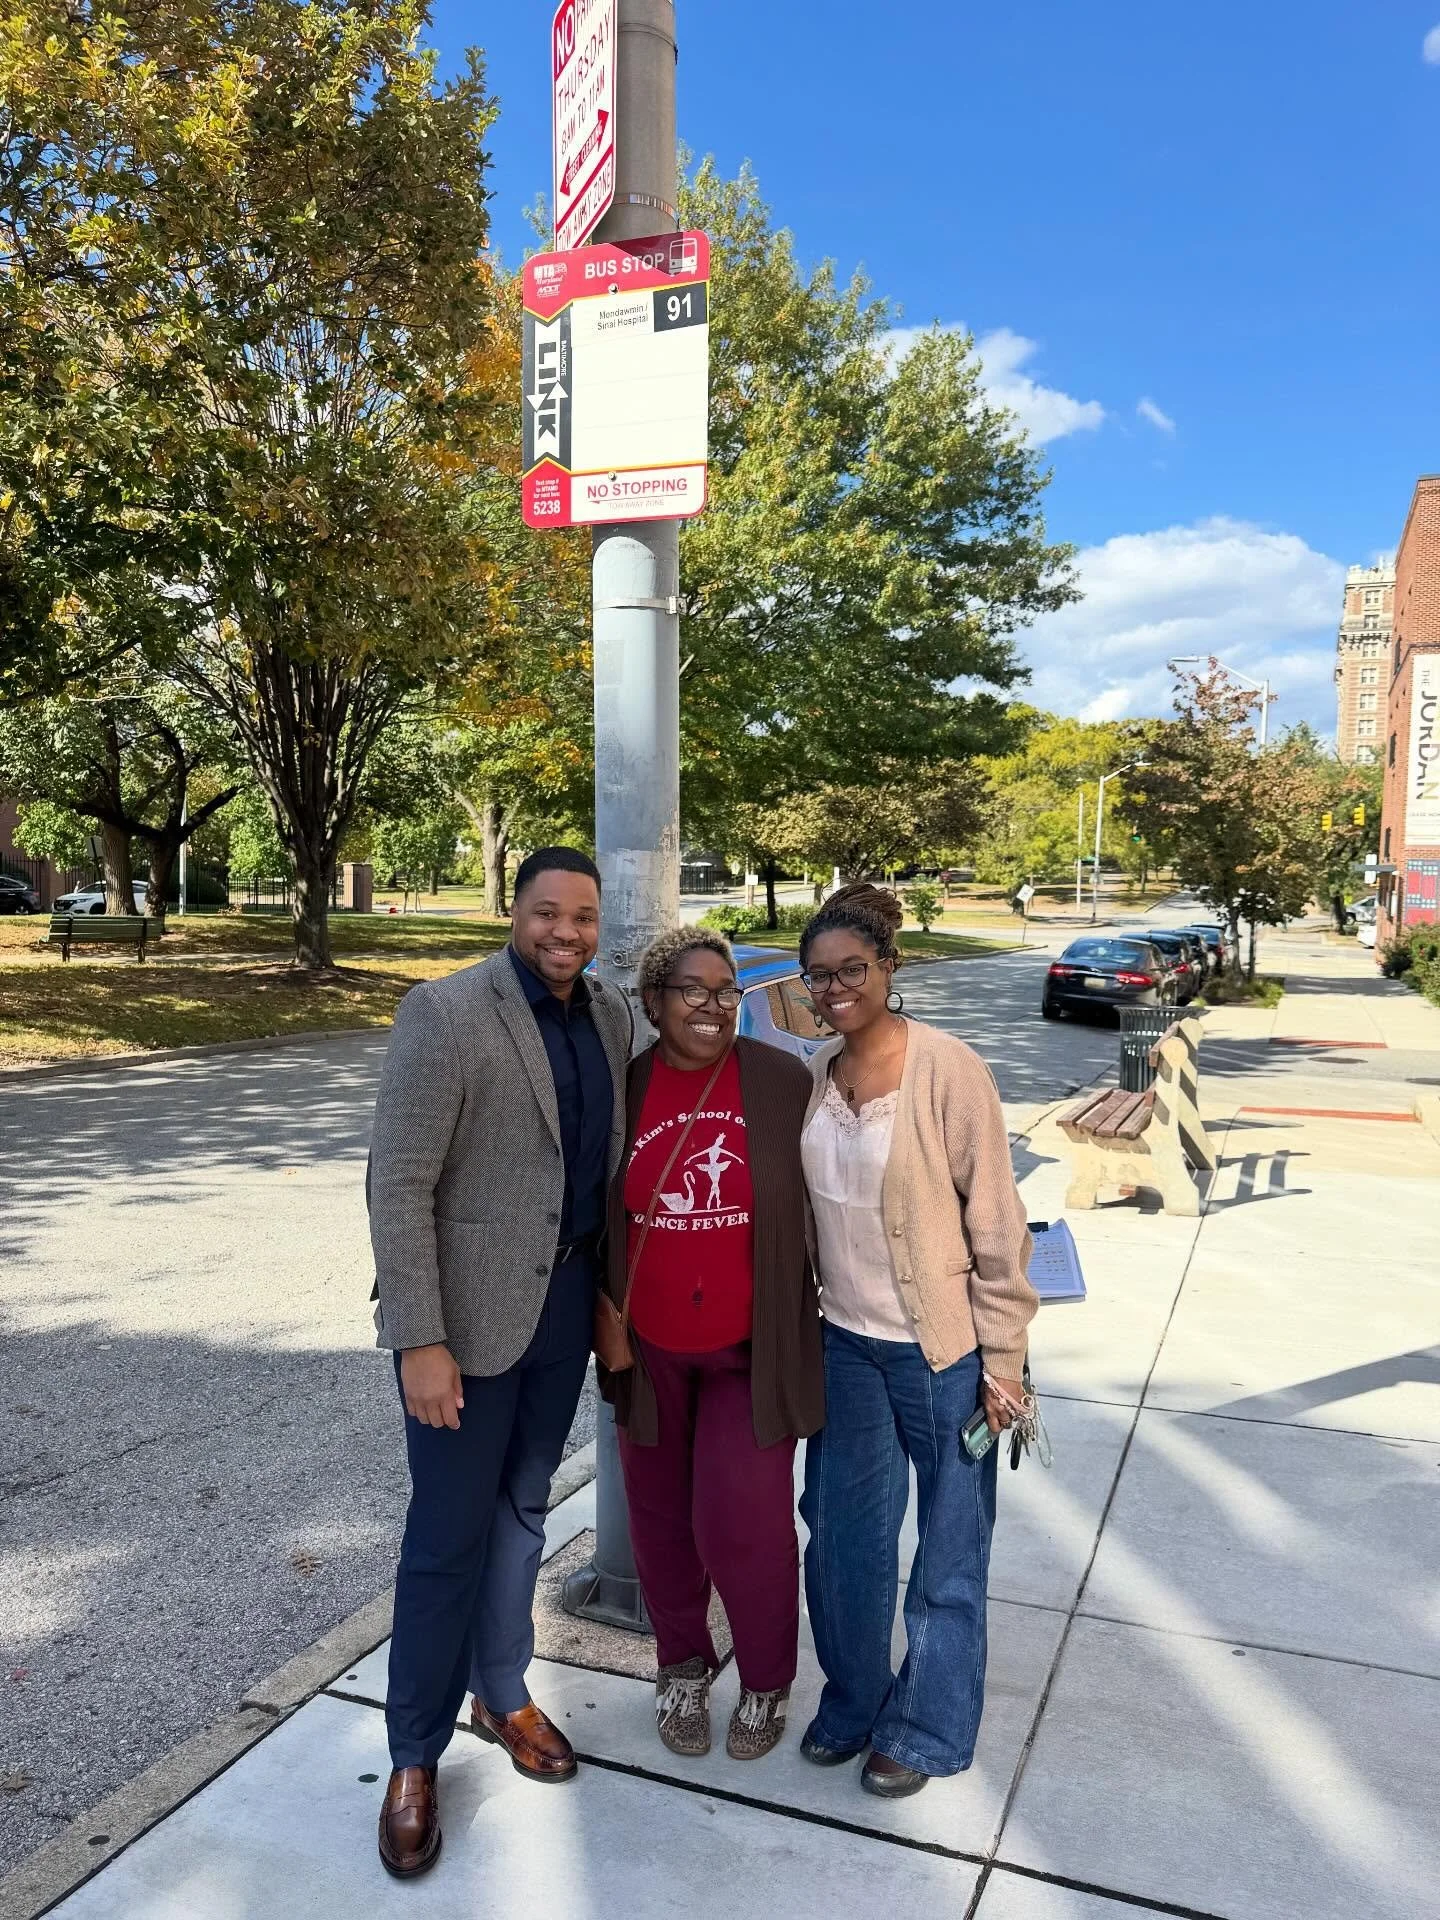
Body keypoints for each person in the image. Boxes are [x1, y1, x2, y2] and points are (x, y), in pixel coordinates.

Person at [367, 848, 632, 1878]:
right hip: (465, 1331)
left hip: (561, 1311)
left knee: (524, 1515)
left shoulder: (606, 1016)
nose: (565, 932)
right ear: (514, 912)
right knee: (444, 1540)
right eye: (547, 913)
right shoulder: (446, 1013)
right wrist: (420, 1340)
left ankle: (504, 1692)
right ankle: (412, 1757)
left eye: (583, 917)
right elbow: (399, 1187)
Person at [795, 882, 1038, 1799]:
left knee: (947, 1549)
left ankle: (926, 1727)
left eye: (851, 970)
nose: (834, 989)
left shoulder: (947, 1068)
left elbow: (998, 1224)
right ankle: (856, 1698)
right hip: (845, 1349)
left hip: (944, 1356)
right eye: (819, 977)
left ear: (888, 968)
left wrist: (1005, 1362)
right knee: (842, 1541)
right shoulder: (819, 1073)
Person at [597, 928, 823, 1763]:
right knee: (659, 1524)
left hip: (748, 1353)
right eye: (690, 990)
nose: (711, 1004)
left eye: (725, 990)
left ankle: (765, 1681)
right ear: (653, 1003)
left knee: (744, 1523)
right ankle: (681, 1667)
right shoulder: (622, 1089)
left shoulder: (779, 1081)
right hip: (650, 1354)